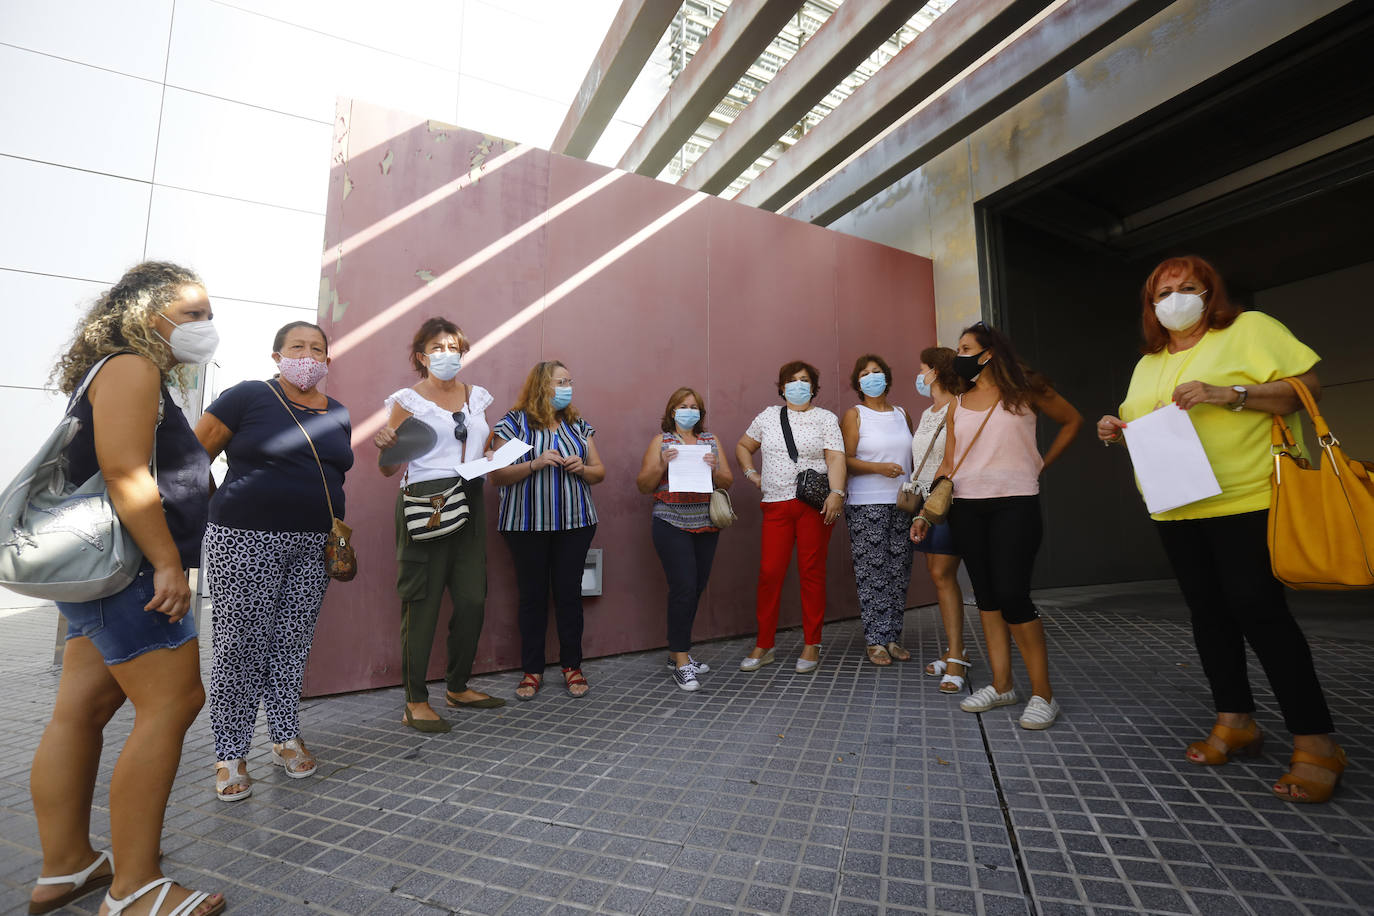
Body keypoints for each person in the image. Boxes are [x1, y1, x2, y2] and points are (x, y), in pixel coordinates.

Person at [1097, 255, 1344, 802]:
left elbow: (1308, 389)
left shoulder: (1251, 330)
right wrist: (1114, 428)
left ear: (1212, 296)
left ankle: (1316, 741)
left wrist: (1228, 395)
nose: (1175, 299)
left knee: (1260, 610)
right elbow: (1141, 418)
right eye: (1163, 292)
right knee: (1208, 615)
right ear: (1150, 305)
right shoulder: (1148, 362)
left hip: (1248, 496)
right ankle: (1236, 720)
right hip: (1175, 505)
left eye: (1189, 288)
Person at [28, 262, 224, 915]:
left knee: (79, 712)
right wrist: (169, 562)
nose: (205, 326)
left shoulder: (116, 369)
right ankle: (135, 888)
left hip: (103, 574)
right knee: (173, 702)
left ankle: (68, 866)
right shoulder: (132, 367)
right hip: (132, 572)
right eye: (192, 312)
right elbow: (124, 470)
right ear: (147, 312)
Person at [195, 321, 354, 800]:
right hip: (244, 539)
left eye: (317, 349)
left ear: (327, 359)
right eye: (297, 347)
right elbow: (191, 458)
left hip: (313, 543)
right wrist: (220, 507)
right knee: (240, 646)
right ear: (276, 355)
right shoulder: (246, 396)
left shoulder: (339, 412)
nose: (308, 355)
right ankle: (230, 752)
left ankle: (284, 736)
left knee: (292, 643)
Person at [912, 323, 1082, 729]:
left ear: (988, 354)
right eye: (958, 348)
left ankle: (1044, 694)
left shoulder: (1025, 390)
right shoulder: (959, 401)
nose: (959, 355)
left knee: (1013, 594)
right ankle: (1002, 684)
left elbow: (1072, 420)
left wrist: (1042, 464)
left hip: (1015, 504)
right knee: (986, 596)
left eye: (966, 348)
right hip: (966, 506)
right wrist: (925, 513)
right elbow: (950, 462)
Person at [374, 318, 504, 734]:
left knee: (472, 599)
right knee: (421, 602)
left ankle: (458, 686)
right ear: (421, 355)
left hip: (471, 499)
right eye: (437, 347)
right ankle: (415, 700)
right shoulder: (408, 402)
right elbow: (389, 469)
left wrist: (496, 448)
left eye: (454, 346)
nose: (447, 353)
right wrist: (386, 447)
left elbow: (481, 442)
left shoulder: (477, 397)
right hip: (426, 503)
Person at [489, 361, 605, 699]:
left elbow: (600, 472)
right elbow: (496, 475)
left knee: (569, 595)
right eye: (561, 381)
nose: (568, 386)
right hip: (525, 525)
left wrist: (583, 468)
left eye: (570, 380)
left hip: (575, 523)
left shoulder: (578, 425)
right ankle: (532, 670)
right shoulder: (513, 423)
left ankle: (572, 666)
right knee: (532, 598)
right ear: (542, 385)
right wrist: (533, 464)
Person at [736, 360, 847, 674]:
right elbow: (743, 446)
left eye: (805, 380)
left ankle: (812, 643)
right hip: (775, 504)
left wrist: (836, 493)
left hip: (814, 505)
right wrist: (751, 473)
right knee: (770, 573)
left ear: (813, 387)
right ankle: (765, 643)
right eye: (792, 380)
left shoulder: (825, 418)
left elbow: (836, 457)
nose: (798, 385)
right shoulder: (768, 417)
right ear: (781, 387)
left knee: (811, 572)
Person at [635, 387, 734, 691]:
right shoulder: (660, 442)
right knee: (684, 586)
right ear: (672, 411)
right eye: (682, 406)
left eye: (694, 406)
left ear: (700, 413)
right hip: (670, 520)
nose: (688, 411)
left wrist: (716, 469)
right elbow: (643, 485)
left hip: (706, 523)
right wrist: (662, 464)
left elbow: (728, 480)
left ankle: (678, 651)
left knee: (695, 588)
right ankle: (681, 660)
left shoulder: (711, 441)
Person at [839, 355, 914, 667]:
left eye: (877, 372)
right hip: (866, 501)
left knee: (899, 570)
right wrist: (879, 468)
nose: (871, 377)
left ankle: (893, 637)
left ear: (887, 377)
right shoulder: (855, 415)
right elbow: (845, 459)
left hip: (903, 501)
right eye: (865, 374)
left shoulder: (902, 413)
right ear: (858, 383)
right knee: (873, 573)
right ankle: (875, 640)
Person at [909, 347, 972, 693]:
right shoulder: (927, 411)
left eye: (923, 369)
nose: (919, 376)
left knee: (943, 575)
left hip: (950, 500)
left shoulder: (958, 407)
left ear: (936, 371)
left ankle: (956, 658)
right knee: (939, 576)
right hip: (926, 504)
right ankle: (953, 650)